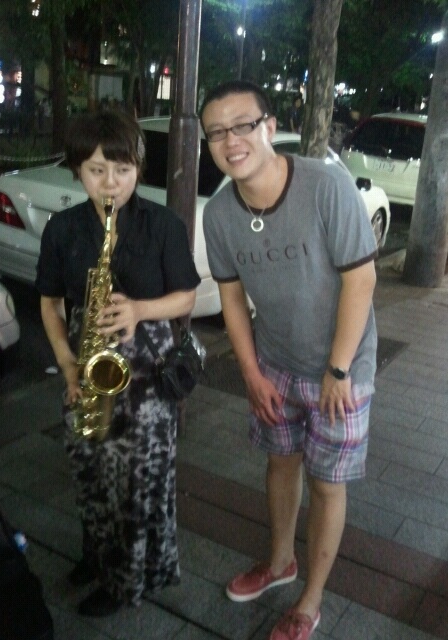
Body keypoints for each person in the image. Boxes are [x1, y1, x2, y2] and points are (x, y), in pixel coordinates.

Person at [200, 80, 377, 640]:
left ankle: (311, 599)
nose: (231, 140)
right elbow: (231, 297)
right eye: (216, 132)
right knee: (279, 463)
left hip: (341, 369)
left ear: (270, 127)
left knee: (327, 483)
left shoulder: (326, 186)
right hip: (274, 362)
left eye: (243, 125)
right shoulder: (219, 213)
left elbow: (362, 279)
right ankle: (280, 562)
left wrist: (339, 369)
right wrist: (251, 373)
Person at [36, 109, 200, 617]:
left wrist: (139, 310)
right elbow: (50, 303)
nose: (111, 183)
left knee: (135, 488)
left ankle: (126, 580)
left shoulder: (163, 225)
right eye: (96, 170)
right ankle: (97, 556)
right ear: (77, 170)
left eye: (123, 170)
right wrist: (69, 368)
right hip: (89, 370)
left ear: (138, 169)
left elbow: (187, 298)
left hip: (147, 378)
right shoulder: (63, 229)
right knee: (91, 474)